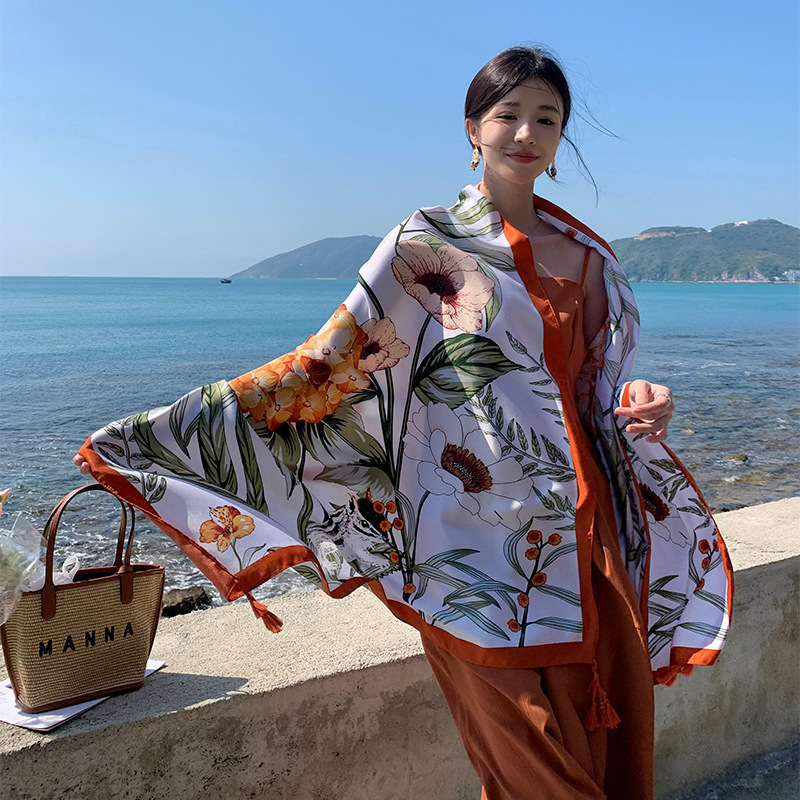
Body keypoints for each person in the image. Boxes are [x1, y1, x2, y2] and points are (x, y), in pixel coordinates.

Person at [75, 46, 732, 800]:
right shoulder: (427, 245)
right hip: (469, 537)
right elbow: (331, 366)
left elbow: (590, 391)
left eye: (545, 119)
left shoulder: (589, 259)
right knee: (529, 756)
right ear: (472, 130)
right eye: (507, 115)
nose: (525, 133)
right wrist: (171, 434)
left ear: (560, 141)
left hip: (591, 535)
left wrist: (642, 401)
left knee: (601, 749)